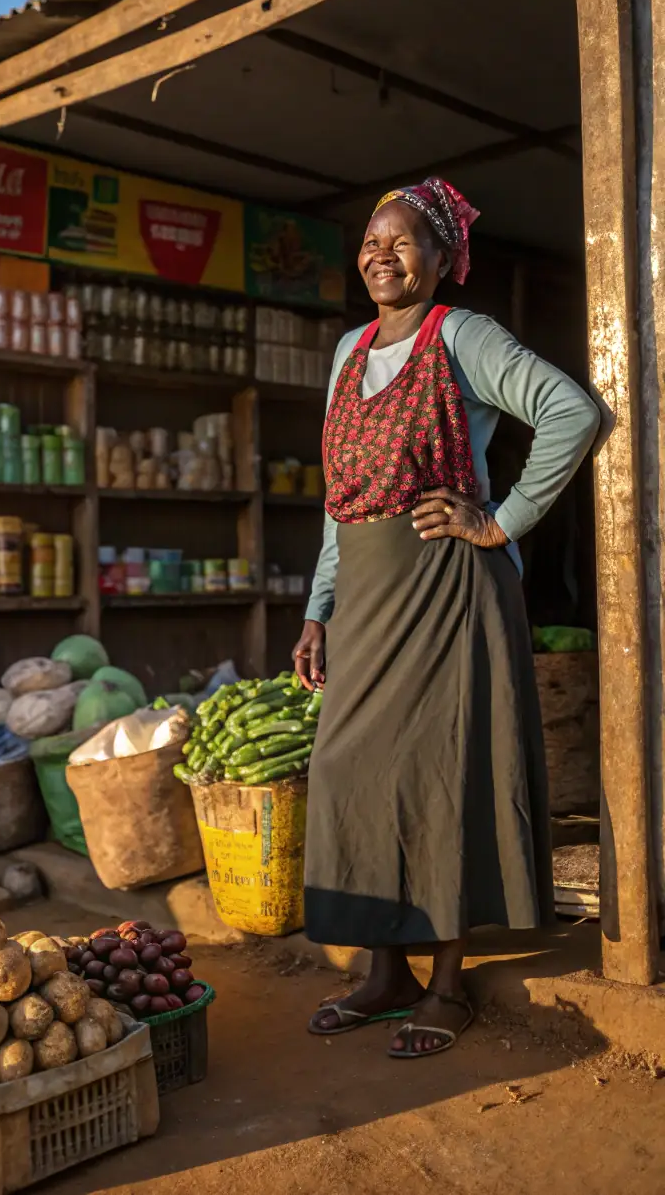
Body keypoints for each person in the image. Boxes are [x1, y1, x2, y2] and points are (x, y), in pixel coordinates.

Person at [293, 177, 599, 1058]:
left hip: (447, 591)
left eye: (402, 241)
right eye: (369, 241)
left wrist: (498, 518)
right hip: (366, 598)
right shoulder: (350, 351)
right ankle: (382, 972)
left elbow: (572, 411)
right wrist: (318, 608)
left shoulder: (461, 334)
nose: (380, 254)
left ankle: (448, 983)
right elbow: (338, 501)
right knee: (353, 770)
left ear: (441, 258)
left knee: (441, 773)